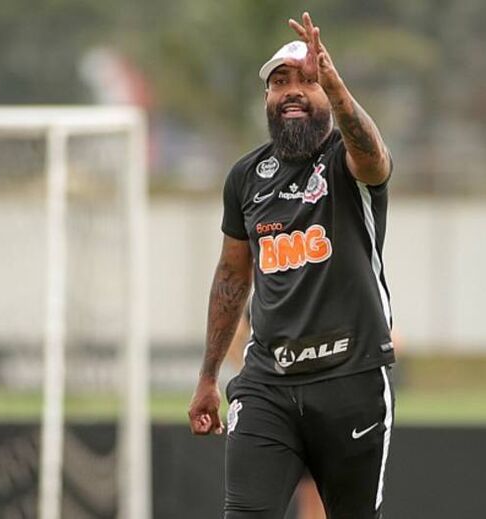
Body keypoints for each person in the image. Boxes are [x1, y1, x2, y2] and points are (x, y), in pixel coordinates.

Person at [188, 11, 396, 518]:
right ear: (267, 100)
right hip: (267, 384)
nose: (293, 91)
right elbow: (232, 277)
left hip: (352, 378)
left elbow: (373, 157)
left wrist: (338, 86)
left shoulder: (348, 160)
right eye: (280, 82)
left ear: (328, 91)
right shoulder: (245, 177)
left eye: (307, 80)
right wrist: (209, 375)